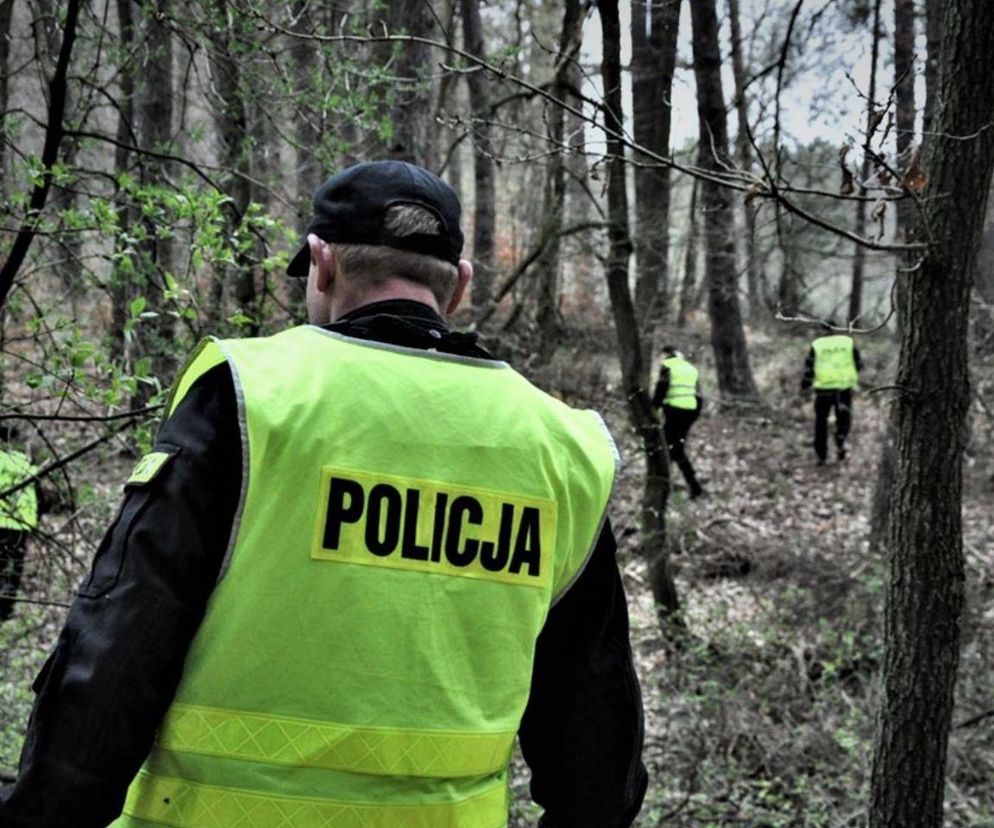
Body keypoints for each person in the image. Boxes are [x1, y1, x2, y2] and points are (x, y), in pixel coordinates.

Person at [0, 160, 647, 828]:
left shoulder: (253, 398)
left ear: (321, 263)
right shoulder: (560, 447)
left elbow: (117, 653)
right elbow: (596, 731)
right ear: (459, 286)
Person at [800, 324, 862, 465]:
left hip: (823, 390)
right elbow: (858, 364)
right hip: (844, 389)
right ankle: (841, 444)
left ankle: (821, 455)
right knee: (843, 419)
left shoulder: (817, 344)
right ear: (835, 329)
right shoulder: (847, 342)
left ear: (822, 330)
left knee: (820, 422)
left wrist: (804, 386)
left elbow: (809, 368)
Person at [652, 344, 704, 499]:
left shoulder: (668, 366)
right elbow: (698, 394)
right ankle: (693, 485)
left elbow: (661, 389)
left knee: (669, 448)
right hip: (690, 412)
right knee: (676, 448)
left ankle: (666, 484)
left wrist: (653, 408)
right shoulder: (690, 368)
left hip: (674, 411)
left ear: (666, 355)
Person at [0, 424, 39, 624]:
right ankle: (7, 607)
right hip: (22, 523)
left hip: (1, 521)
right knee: (15, 566)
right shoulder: (25, 462)